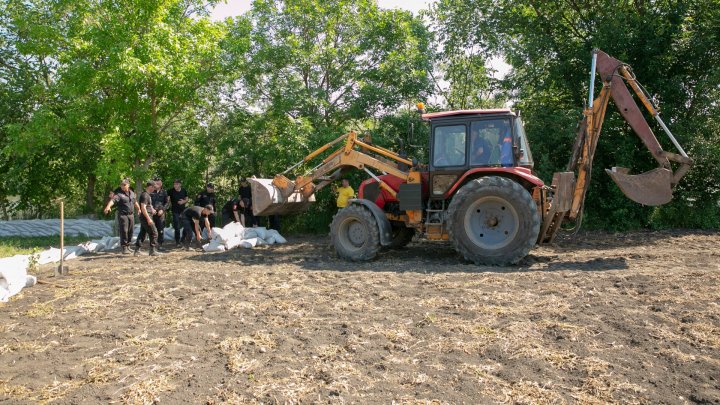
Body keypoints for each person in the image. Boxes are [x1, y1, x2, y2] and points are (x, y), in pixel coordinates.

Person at [103, 179, 139, 254]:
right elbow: (113, 200)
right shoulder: (119, 194)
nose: (122, 186)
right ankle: (124, 247)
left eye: (124, 185)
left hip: (131, 215)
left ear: (128, 185)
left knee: (130, 231)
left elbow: (135, 201)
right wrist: (108, 207)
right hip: (123, 215)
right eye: (121, 185)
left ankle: (128, 246)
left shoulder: (132, 193)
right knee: (124, 231)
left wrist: (139, 209)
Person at [136, 177, 170, 250]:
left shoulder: (164, 192)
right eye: (155, 184)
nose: (157, 185)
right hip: (149, 215)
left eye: (159, 183)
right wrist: (150, 214)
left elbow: (167, 203)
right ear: (151, 186)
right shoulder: (147, 194)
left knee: (160, 229)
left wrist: (162, 210)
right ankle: (150, 249)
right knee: (150, 232)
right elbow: (144, 206)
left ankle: (159, 245)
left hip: (159, 213)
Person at [133, 181, 161, 256]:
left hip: (146, 215)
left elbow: (148, 206)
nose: (154, 189)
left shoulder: (148, 195)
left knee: (143, 233)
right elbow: (143, 208)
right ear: (150, 187)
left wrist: (152, 210)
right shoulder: (145, 195)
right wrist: (148, 219)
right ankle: (152, 250)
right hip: (146, 216)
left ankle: (137, 250)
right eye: (154, 187)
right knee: (154, 232)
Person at [168, 179, 189, 246]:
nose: (175, 185)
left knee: (186, 225)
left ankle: (183, 239)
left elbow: (187, 198)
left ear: (180, 184)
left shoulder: (183, 190)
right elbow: (167, 199)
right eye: (174, 184)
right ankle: (177, 242)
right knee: (177, 226)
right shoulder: (171, 191)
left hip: (183, 210)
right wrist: (169, 203)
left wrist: (183, 201)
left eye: (176, 184)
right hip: (175, 210)